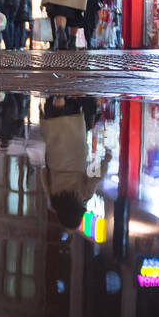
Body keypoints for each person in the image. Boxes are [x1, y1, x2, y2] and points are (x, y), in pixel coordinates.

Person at [41, 95, 111, 230]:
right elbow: (43, 173)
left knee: (72, 122)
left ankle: (67, 99)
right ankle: (57, 103)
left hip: (75, 156)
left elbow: (96, 177)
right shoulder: (53, 198)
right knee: (56, 126)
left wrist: (106, 159)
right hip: (56, 159)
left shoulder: (84, 196)